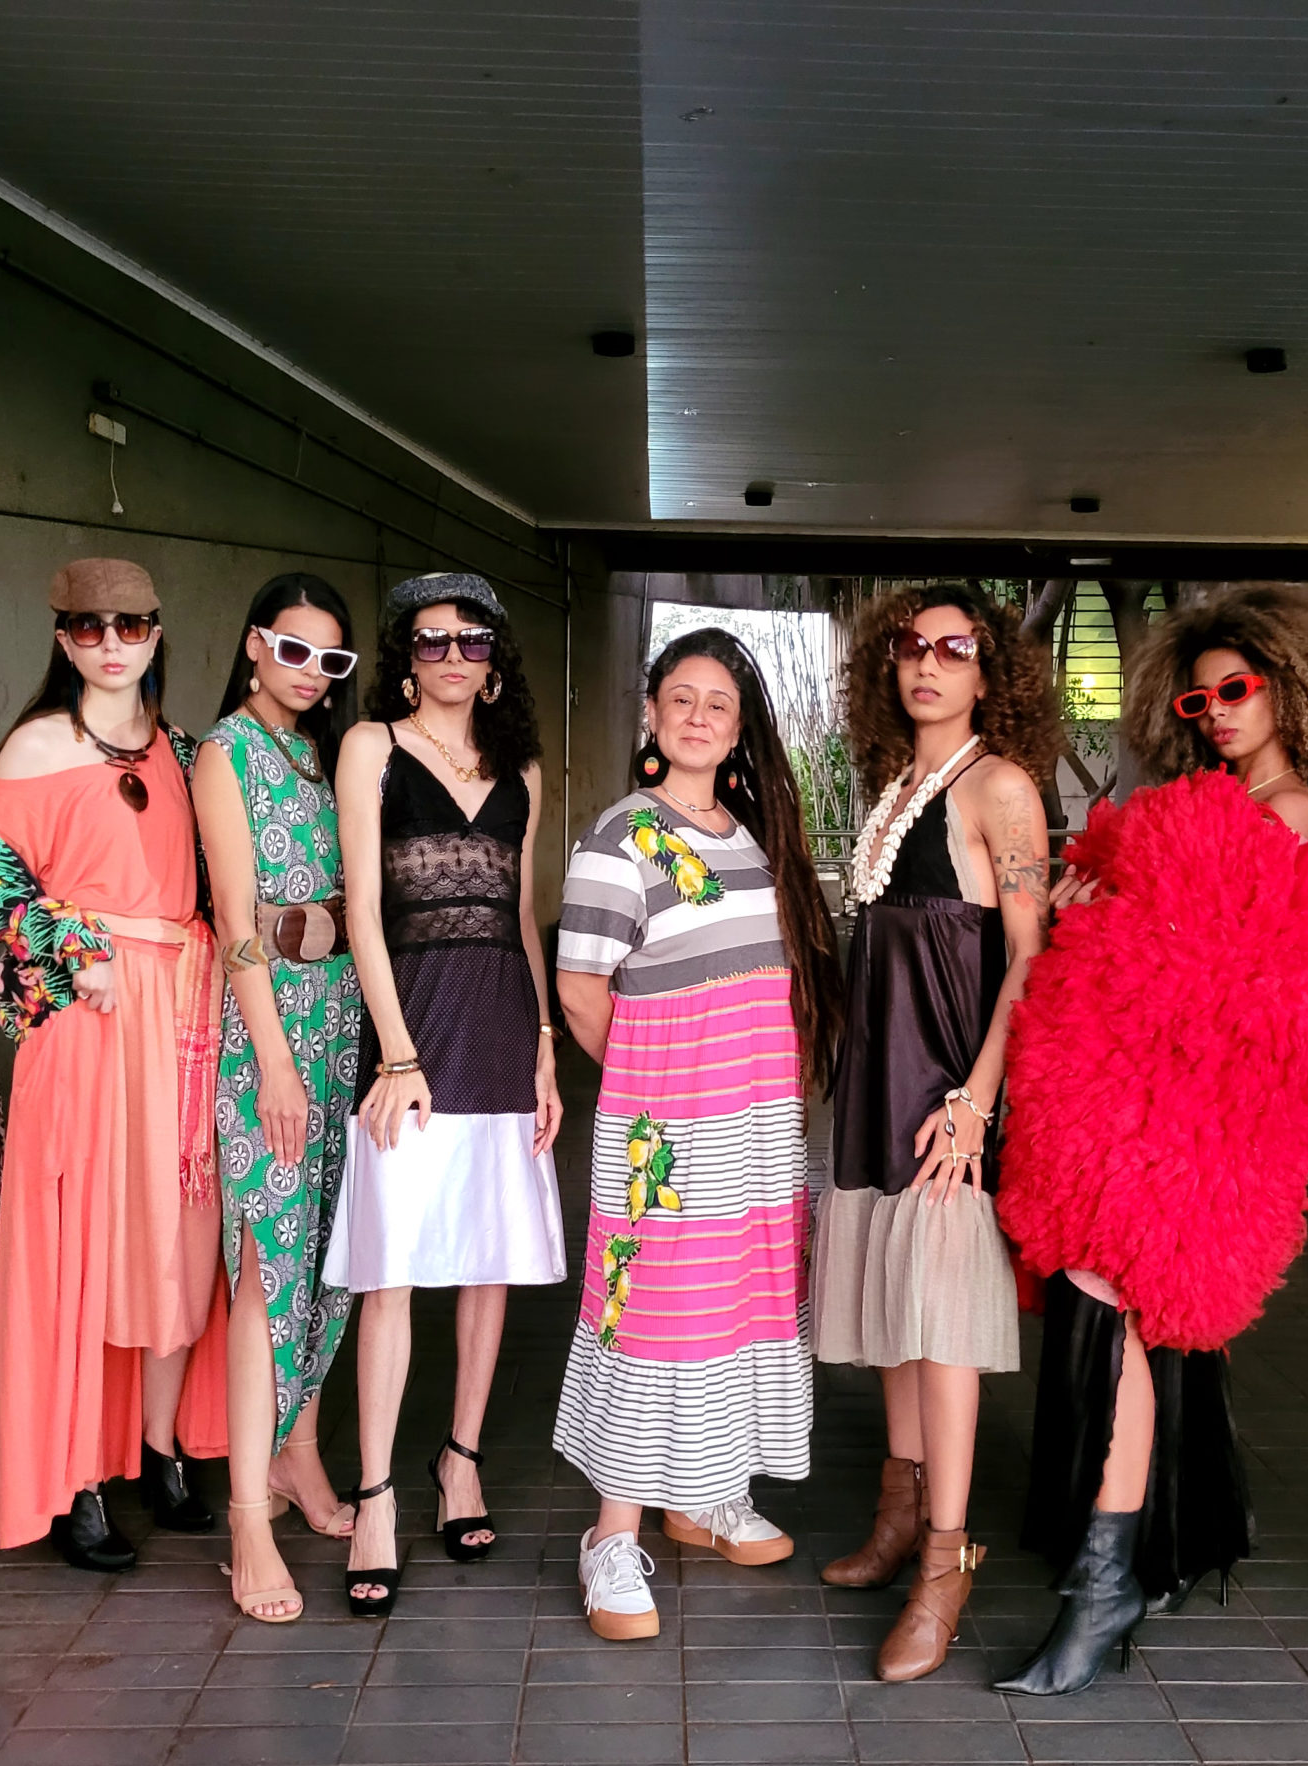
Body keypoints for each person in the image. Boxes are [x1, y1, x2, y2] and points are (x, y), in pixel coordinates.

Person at [997, 585, 1308, 1695]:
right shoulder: (1204, 805)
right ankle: (1136, 1558)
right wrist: (1096, 907)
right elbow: (1159, 940)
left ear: (1292, 691)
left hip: (1196, 1117)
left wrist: (1105, 919)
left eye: (1237, 689)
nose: (1215, 710)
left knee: (1114, 1317)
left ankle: (1105, 1581)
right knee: (1124, 1323)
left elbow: (1227, 980)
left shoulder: (1286, 813)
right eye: (1197, 697)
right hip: (1143, 1101)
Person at [551, 628, 845, 1640]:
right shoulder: (619, 838)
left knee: (736, 1301)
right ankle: (610, 1537)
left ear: (738, 727)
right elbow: (582, 992)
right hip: (667, 1133)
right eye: (680, 696)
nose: (697, 716)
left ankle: (708, 1493)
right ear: (650, 712)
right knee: (655, 1314)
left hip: (757, 1128)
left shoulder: (754, 838)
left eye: (718, 703)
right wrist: (657, 1088)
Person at [812, 581, 1066, 1682]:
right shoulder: (896, 786)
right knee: (896, 1318)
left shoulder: (998, 785)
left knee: (943, 1328)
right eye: (911, 647)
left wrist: (976, 1100)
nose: (927, 665)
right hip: (878, 1085)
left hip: (947, 1092)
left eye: (954, 650)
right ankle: (900, 1513)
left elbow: (1029, 958)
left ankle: (946, 1564)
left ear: (989, 670)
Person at [0, 558, 224, 1571]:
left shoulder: (186, 751)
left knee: (180, 1235)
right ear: (61, 636)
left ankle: (160, 1449)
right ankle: (76, 1477)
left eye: (130, 625)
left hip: (185, 1008)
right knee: (82, 1235)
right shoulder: (37, 744)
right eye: (87, 626)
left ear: (157, 632)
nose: (110, 643)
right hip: (91, 1011)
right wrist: (74, 944)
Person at [324, 571, 565, 1618]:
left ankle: (459, 1459)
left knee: (487, 1262)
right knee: (392, 1270)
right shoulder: (370, 747)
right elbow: (363, 913)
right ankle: (375, 1494)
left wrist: (546, 1047)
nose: (454, 656)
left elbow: (519, 920)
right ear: (405, 659)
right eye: (432, 641)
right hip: (411, 1036)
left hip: (504, 1031)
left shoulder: (523, 769)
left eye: (472, 640)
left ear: (495, 658)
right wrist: (396, 1054)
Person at [193, 573, 366, 1622]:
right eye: (293, 649)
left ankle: (298, 1452)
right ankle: (246, 1517)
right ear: (255, 645)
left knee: (327, 1252)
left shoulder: (326, 755)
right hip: (271, 1031)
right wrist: (274, 1061)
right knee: (265, 1257)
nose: (309, 672)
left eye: (329, 659)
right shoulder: (228, 753)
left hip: (340, 1015)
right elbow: (235, 918)